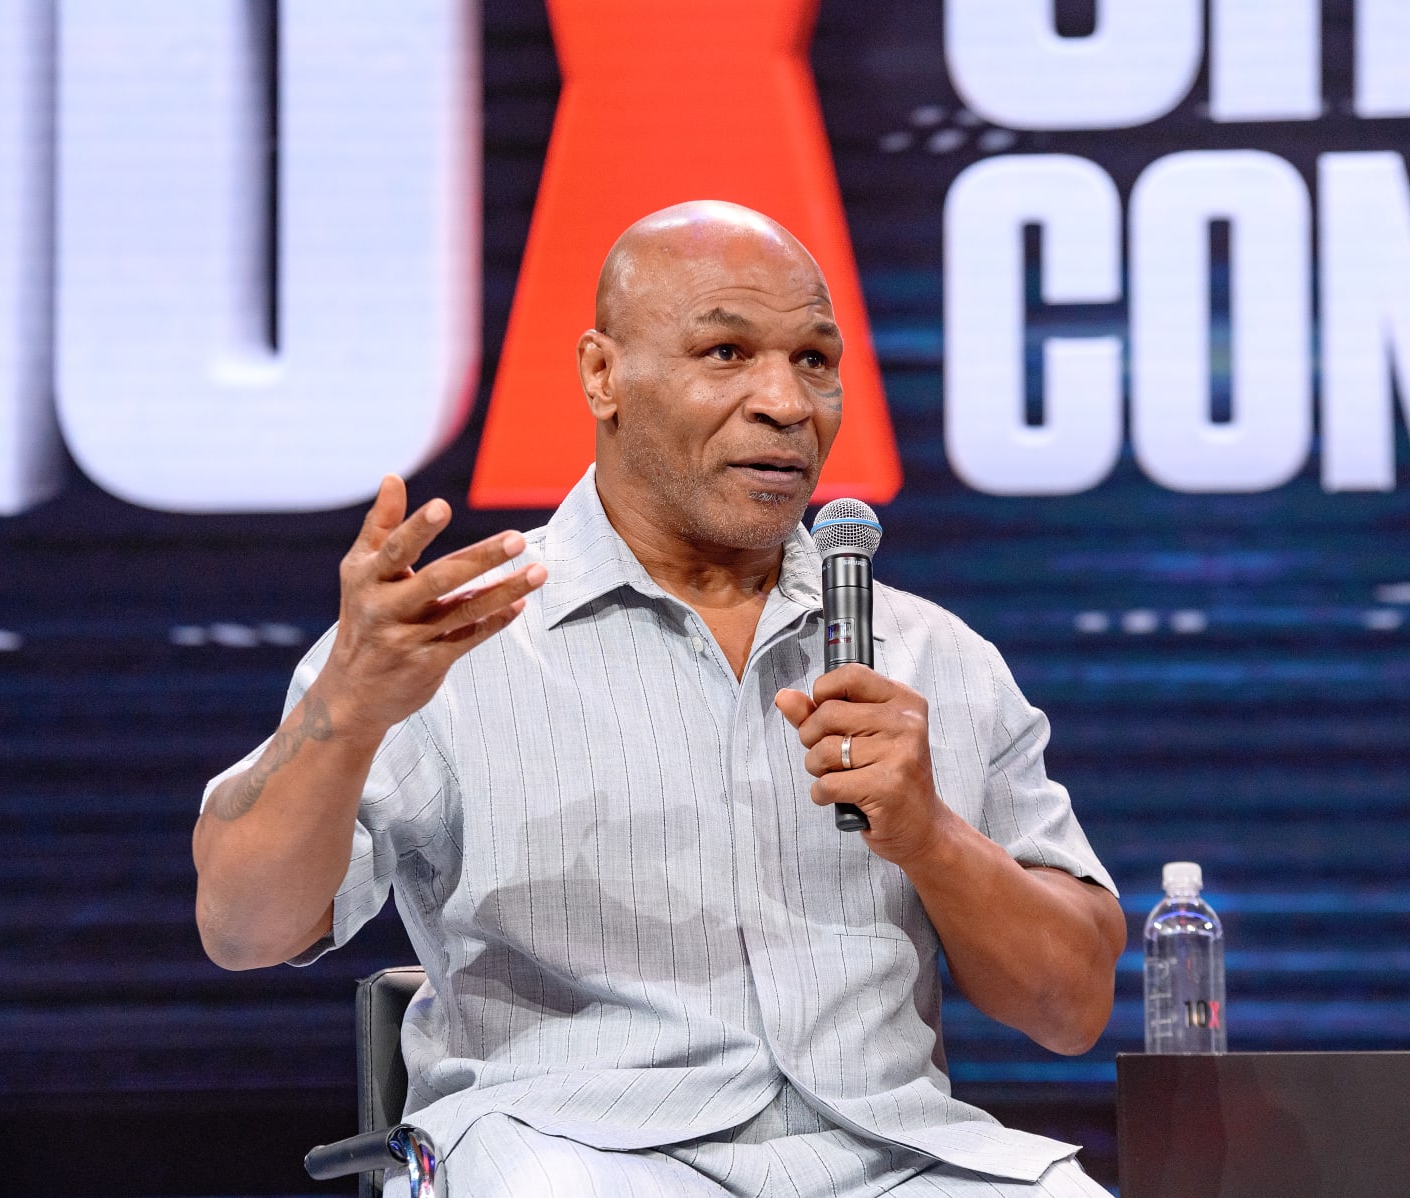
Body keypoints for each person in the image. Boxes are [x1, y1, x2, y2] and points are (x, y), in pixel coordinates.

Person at [192, 200, 1125, 1196]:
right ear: (602, 375)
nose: (787, 402)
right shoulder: (445, 644)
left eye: (815, 360)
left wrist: (933, 836)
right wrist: (348, 711)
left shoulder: (937, 656)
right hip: (574, 1150)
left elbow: (1070, 1009)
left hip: (894, 1158)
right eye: (726, 352)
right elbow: (244, 928)